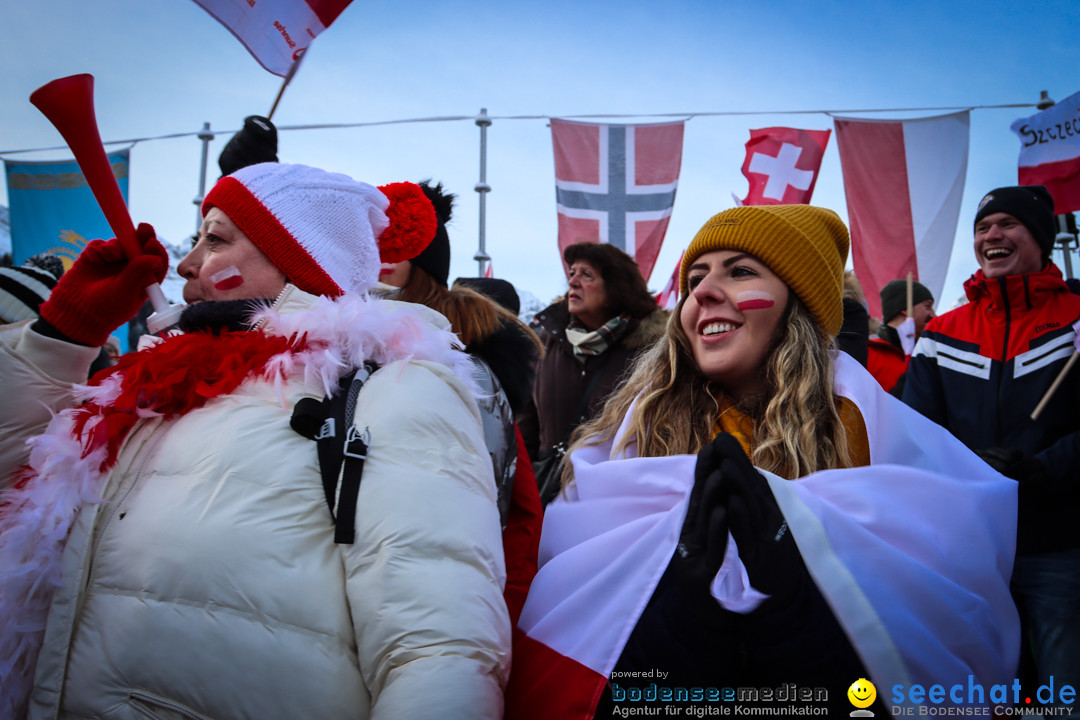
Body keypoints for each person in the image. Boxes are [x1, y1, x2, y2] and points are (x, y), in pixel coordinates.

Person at [0, 163, 510, 719]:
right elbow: (17, 481)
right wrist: (63, 334)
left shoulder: (396, 388)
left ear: (299, 263)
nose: (188, 263)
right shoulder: (155, 384)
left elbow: (438, 649)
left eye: (214, 240)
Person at [506, 205, 1019, 719]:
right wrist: (681, 615)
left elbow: (925, 638)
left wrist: (796, 610)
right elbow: (586, 633)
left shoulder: (868, 431)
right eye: (697, 277)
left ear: (798, 305)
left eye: (741, 271)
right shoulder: (628, 437)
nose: (702, 291)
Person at [903, 185, 1080, 702]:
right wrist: (968, 470)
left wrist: (1040, 471)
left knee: (1061, 690)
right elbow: (916, 430)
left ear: (1040, 238)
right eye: (983, 228)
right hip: (968, 550)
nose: (992, 235)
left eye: (1007, 224)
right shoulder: (941, 333)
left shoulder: (1075, 320)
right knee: (975, 693)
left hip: (1059, 546)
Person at [374, 180, 543, 625]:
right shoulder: (329, 336)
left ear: (423, 262)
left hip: (437, 571)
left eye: (396, 245)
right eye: (369, 244)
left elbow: (509, 501)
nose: (378, 257)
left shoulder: (470, 357)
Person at [518, 241, 667, 504]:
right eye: (572, 273)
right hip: (550, 494)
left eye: (586, 275)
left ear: (615, 291)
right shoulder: (548, 342)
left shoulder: (650, 352)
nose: (573, 282)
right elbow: (527, 426)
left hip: (616, 498)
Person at [868, 278, 935, 396]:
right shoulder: (868, 353)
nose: (934, 315)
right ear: (905, 309)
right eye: (928, 306)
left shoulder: (928, 356)